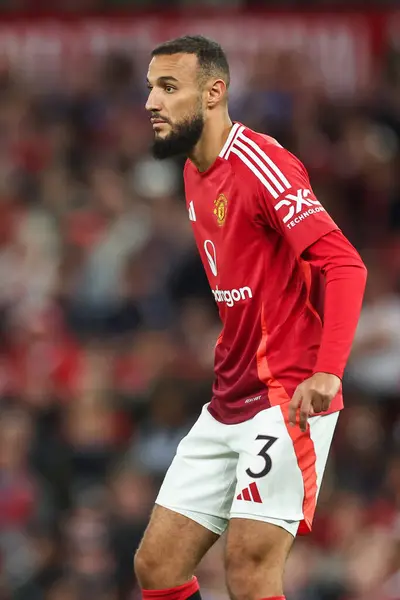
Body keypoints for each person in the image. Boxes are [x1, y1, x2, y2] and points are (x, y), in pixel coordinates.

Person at [135, 35, 367, 600]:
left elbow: (345, 265)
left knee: (250, 569)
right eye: (149, 88)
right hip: (229, 395)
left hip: (287, 393)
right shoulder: (193, 171)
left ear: (214, 93)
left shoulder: (262, 164)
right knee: (157, 565)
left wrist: (328, 371)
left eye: (169, 87)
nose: (150, 102)